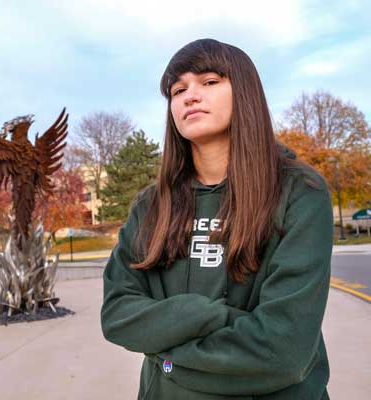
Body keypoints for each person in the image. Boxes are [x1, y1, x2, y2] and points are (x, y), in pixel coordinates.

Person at [100, 38, 333, 400]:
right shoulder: (150, 206)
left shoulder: (300, 192)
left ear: (245, 92)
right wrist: (213, 316)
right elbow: (117, 315)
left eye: (209, 82)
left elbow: (284, 352)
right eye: (178, 90)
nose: (190, 96)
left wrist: (166, 356)